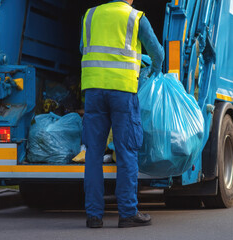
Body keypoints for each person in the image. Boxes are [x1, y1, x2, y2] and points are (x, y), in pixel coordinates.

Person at [80, 0, 164, 228]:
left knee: (93, 154)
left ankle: (94, 216)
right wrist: (153, 68)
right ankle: (127, 213)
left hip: (93, 90)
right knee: (126, 152)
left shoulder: (90, 15)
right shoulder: (136, 17)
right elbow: (157, 52)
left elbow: (83, 49)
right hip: (122, 92)